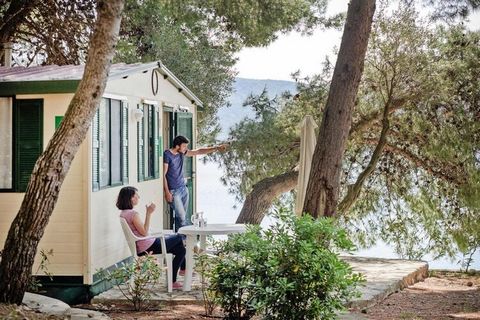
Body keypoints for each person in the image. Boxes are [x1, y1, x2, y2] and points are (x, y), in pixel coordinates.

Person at [117, 186, 186, 289]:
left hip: (146, 245)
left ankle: (180, 273)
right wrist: (149, 213)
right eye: (137, 195)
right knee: (180, 236)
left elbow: (142, 232)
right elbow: (144, 232)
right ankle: (182, 271)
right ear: (131, 198)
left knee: (181, 250)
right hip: (148, 247)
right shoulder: (133, 214)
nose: (138, 197)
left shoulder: (123, 214)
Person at [163, 135, 228, 232]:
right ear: (177, 146)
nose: (186, 148)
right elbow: (163, 175)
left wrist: (216, 148)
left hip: (183, 189)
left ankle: (179, 240)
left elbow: (198, 151)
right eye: (184, 146)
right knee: (182, 217)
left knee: (181, 217)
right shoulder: (167, 155)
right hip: (173, 191)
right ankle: (188, 237)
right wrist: (167, 192)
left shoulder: (182, 152)